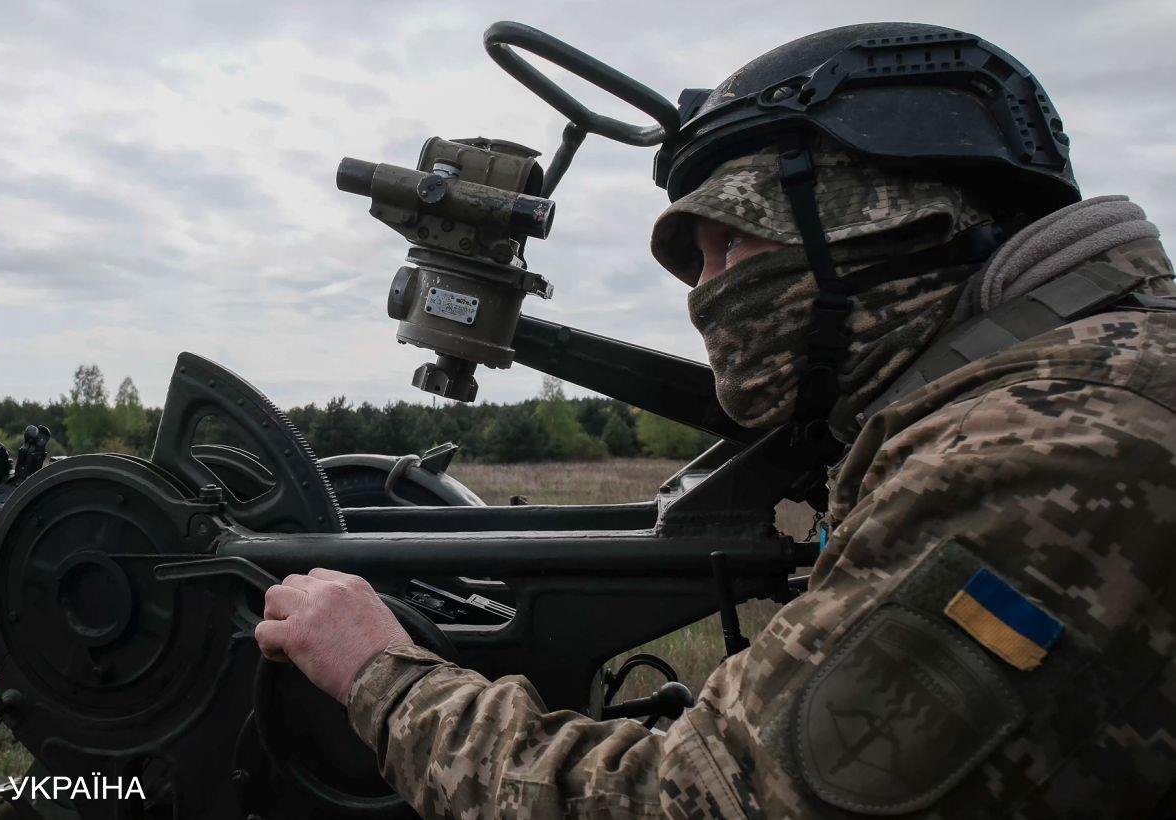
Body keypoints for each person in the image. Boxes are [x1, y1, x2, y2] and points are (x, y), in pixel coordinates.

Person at [254, 22, 1176, 818]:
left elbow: (699, 801)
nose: (706, 294)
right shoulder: (1090, 376)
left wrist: (381, 673)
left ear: (880, 219)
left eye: (731, 240)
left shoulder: (1049, 453)